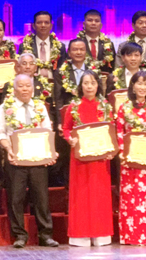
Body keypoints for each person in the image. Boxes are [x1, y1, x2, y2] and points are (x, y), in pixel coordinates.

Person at [0, 73, 58, 248]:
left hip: (38, 159)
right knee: (16, 198)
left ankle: (45, 235)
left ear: (32, 88)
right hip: (15, 159)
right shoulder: (4, 108)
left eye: (28, 86)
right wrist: (8, 148)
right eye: (21, 86)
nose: (25, 89)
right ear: (14, 89)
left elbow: (47, 130)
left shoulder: (40, 107)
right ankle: (20, 235)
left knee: (41, 198)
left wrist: (51, 152)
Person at [62, 70, 115, 247]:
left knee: (100, 195)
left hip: (100, 159)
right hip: (80, 159)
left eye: (93, 83)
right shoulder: (74, 106)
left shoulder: (105, 107)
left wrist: (112, 150)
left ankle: (101, 234)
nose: (89, 86)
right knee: (81, 195)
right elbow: (66, 128)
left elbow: (111, 130)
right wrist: (70, 139)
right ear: (81, 86)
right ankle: (80, 235)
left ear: (98, 85)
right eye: (86, 83)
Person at [116, 71, 146, 245]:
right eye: (139, 83)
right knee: (132, 197)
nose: (142, 87)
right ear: (133, 86)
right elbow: (119, 132)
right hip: (130, 160)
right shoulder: (124, 108)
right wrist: (123, 153)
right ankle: (131, 236)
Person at [52, 38, 94, 186]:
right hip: (69, 119)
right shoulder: (61, 72)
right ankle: (70, 188)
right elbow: (58, 99)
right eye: (75, 49)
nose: (78, 52)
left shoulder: (93, 70)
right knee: (68, 155)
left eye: (81, 49)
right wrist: (60, 122)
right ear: (69, 53)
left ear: (86, 52)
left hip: (89, 117)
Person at [116, 11, 146, 75]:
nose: (144, 26)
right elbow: (118, 69)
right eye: (140, 23)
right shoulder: (123, 46)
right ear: (133, 26)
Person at [18, 11, 64, 79]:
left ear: (51, 26)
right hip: (32, 83)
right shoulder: (25, 46)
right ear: (34, 26)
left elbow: (63, 69)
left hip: (55, 83)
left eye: (46, 23)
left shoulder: (60, 47)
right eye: (39, 23)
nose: (43, 25)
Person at [77, 9, 116, 74]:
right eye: (90, 20)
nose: (93, 23)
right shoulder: (76, 43)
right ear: (84, 24)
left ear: (101, 25)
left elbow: (113, 66)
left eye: (97, 21)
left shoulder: (109, 44)